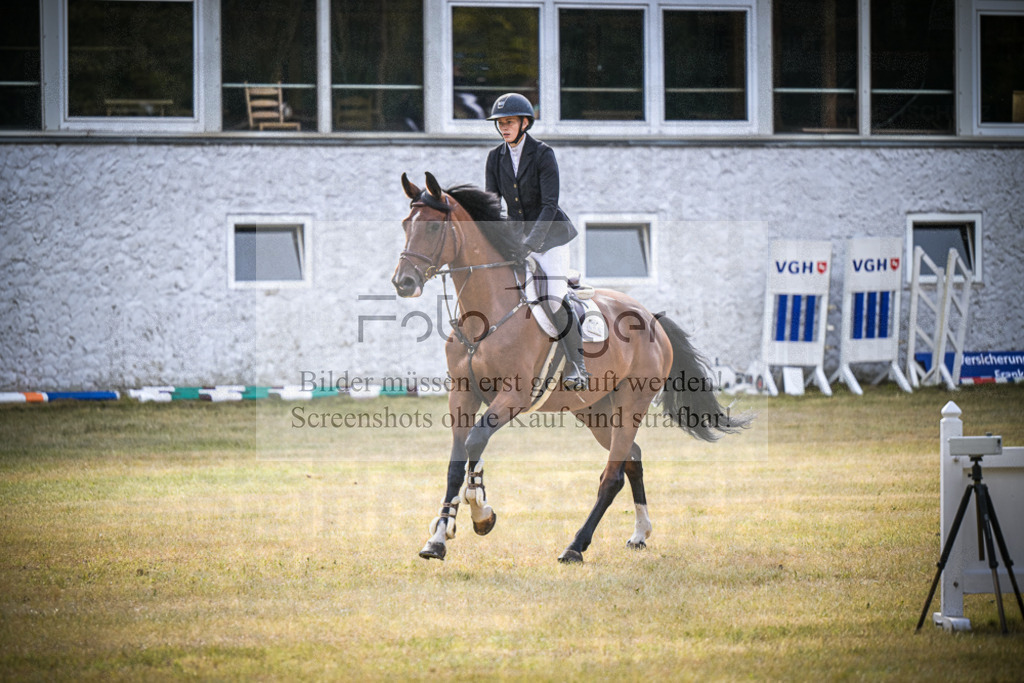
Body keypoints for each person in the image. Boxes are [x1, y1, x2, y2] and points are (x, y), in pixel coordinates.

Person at [484, 92, 588, 391]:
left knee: (552, 298)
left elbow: (549, 204)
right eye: (500, 123)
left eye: (509, 122)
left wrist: (530, 243)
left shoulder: (543, 154)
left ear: (525, 123)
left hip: (550, 239)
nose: (504, 127)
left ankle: (578, 366)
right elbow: (493, 204)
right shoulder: (495, 157)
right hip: (516, 240)